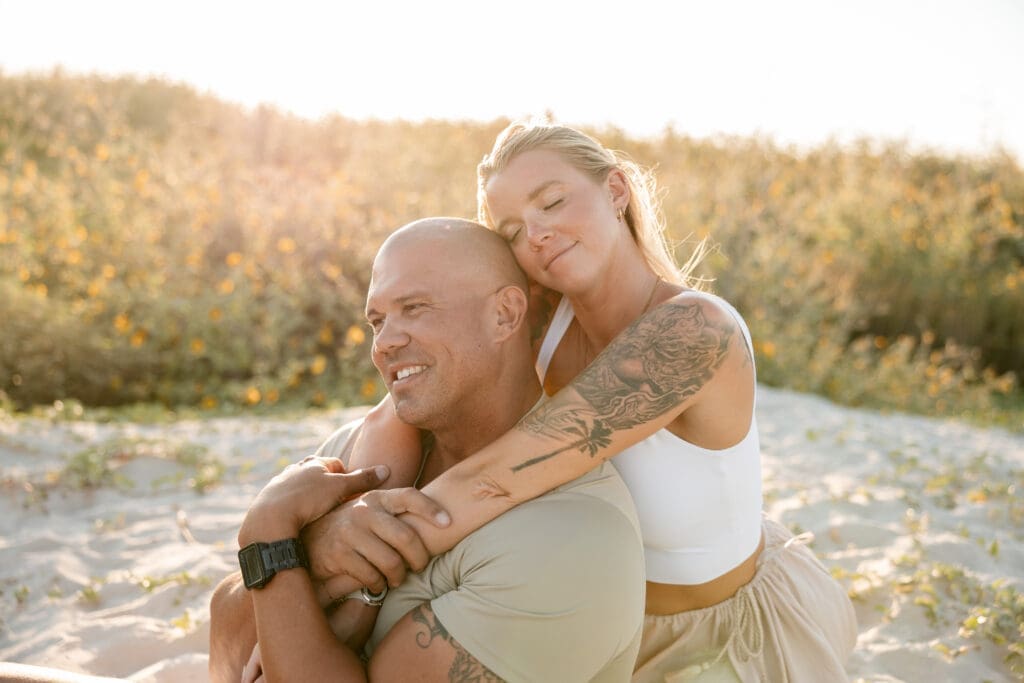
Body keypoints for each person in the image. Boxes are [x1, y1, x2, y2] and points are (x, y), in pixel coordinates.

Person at [310, 122, 857, 682]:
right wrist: (352, 515)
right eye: (512, 231)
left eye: (551, 202)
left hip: (712, 635)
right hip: (588, 613)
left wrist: (338, 572)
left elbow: (498, 478)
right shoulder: (539, 315)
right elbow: (398, 416)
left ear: (616, 191)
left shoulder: (695, 331)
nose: (537, 234)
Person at [208, 218, 646, 682]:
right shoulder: (363, 457)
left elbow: (264, 582)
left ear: (504, 314)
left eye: (414, 308)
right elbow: (226, 646)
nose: (384, 343)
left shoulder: (569, 543)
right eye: (377, 321)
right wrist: (308, 552)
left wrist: (271, 534)